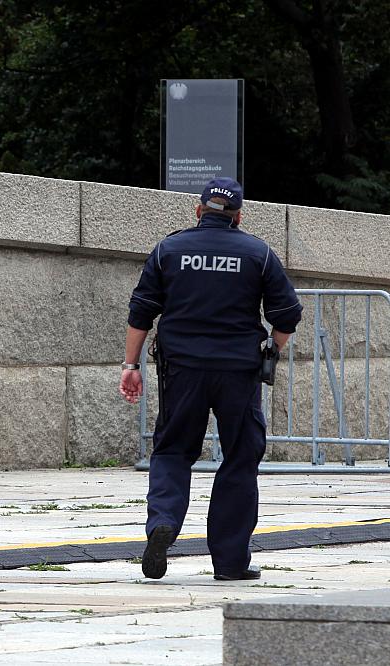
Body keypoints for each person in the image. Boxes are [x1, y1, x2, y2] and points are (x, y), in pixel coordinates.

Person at [119, 177, 301, 581]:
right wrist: (272, 349)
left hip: (182, 370)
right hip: (239, 371)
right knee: (240, 457)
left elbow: (141, 311)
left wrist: (131, 366)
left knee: (172, 450)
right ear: (238, 216)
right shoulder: (258, 253)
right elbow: (287, 314)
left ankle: (162, 522)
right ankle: (231, 562)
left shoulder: (170, 249)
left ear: (198, 211)